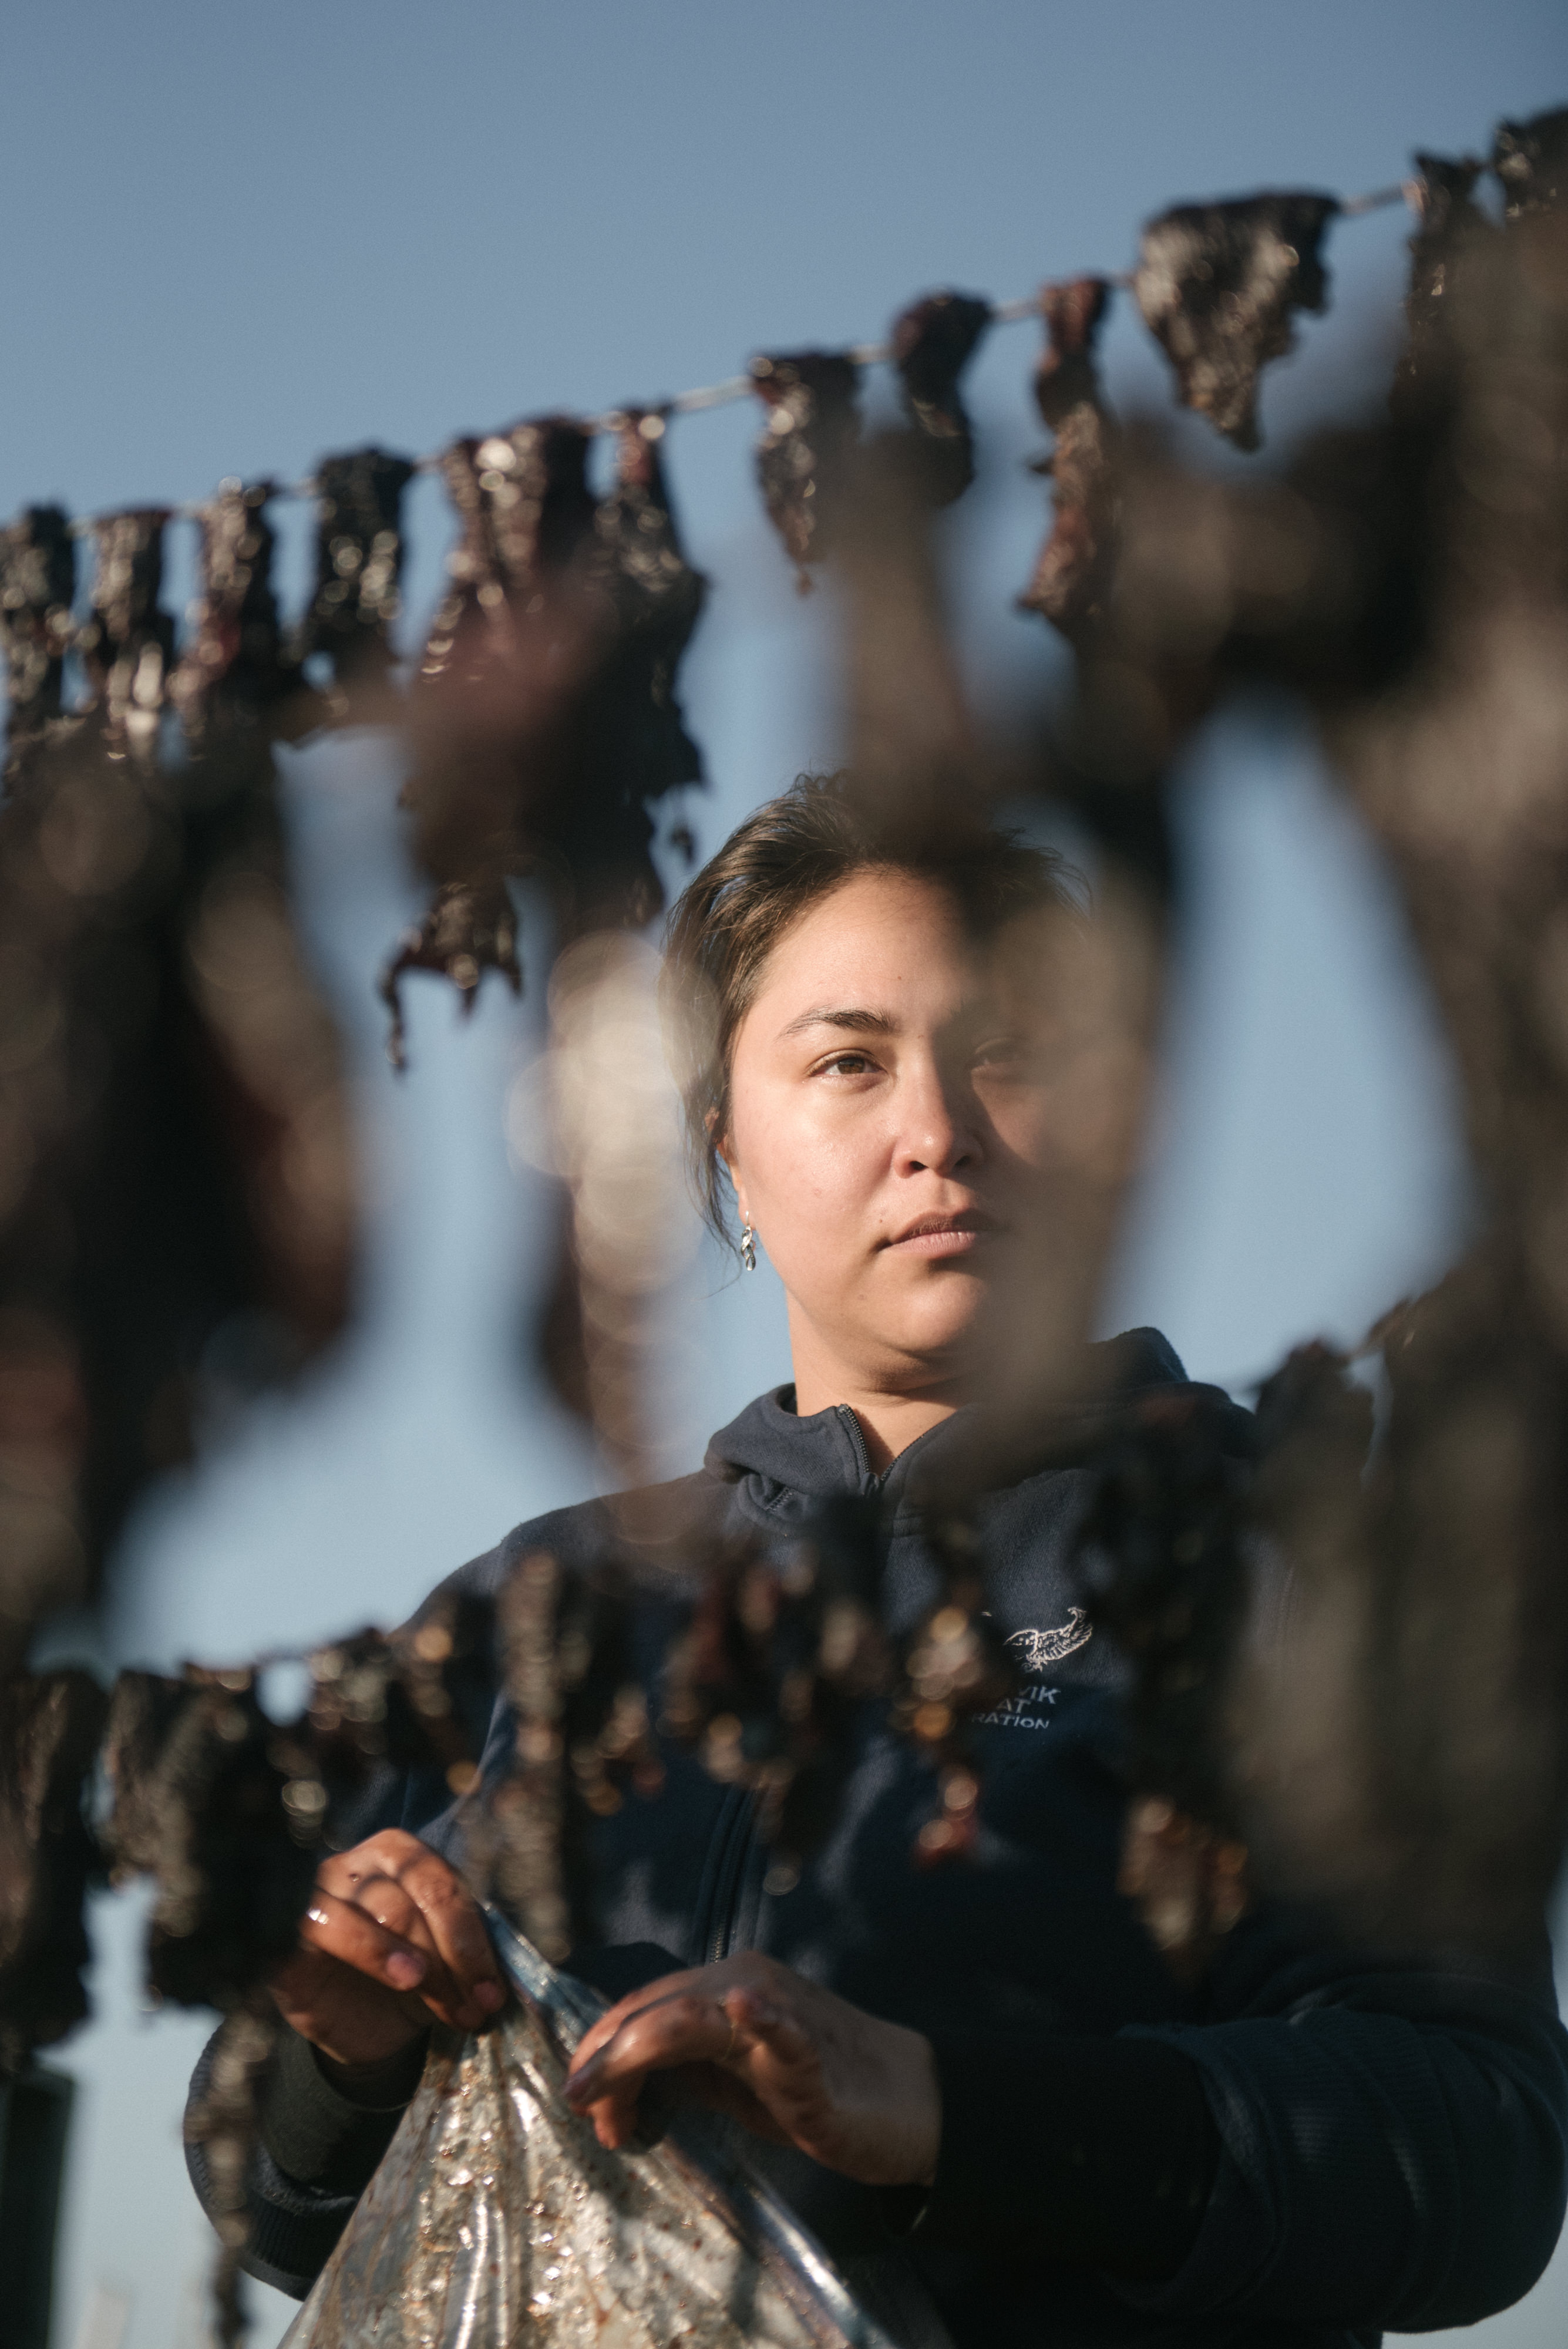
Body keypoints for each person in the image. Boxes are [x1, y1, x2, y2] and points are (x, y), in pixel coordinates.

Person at [188, 775, 1568, 2348]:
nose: (937, 1135)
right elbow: (281, 2212)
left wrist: (937, 2110)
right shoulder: (539, 1613)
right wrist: (347, 2050)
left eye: (1012, 1056)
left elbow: (1485, 2148)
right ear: (725, 1151)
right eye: (850, 1062)